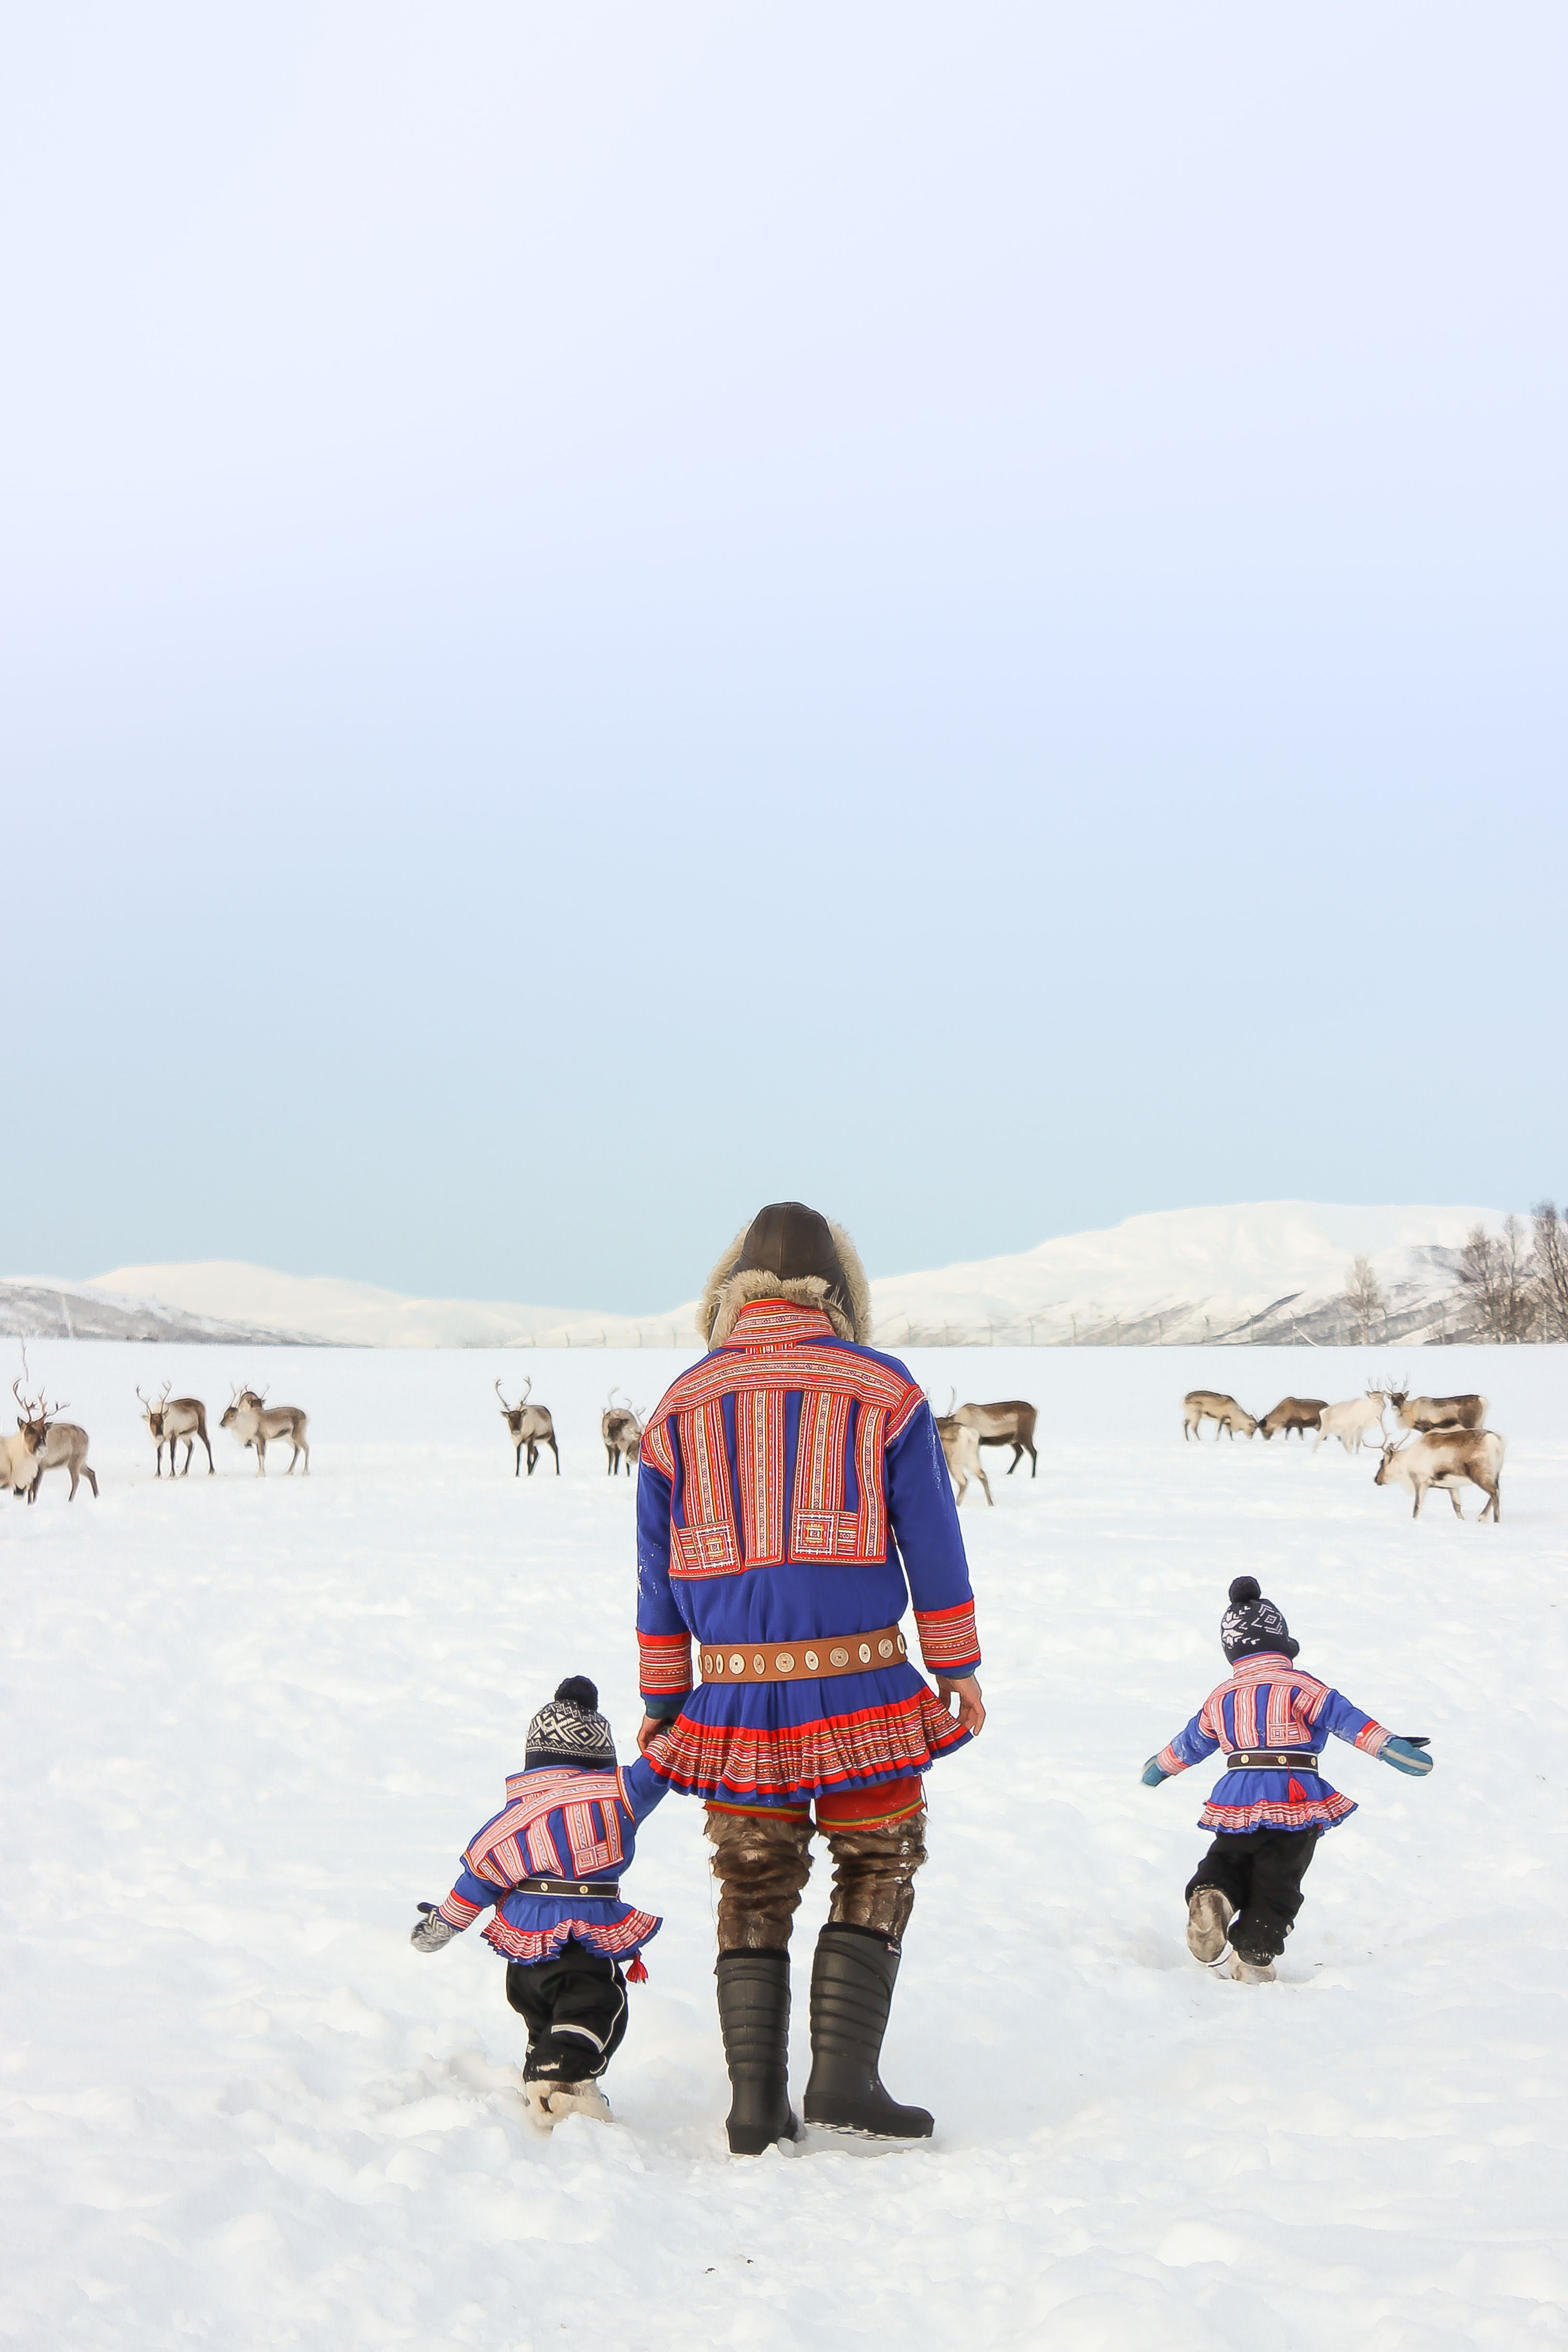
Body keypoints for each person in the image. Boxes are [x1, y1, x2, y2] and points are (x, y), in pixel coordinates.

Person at [633, 1201, 985, 2153]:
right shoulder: (885, 1389)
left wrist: (664, 1698)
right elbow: (933, 1539)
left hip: (732, 1691)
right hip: (862, 1681)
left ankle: (755, 2103)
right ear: (839, 1289)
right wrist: (957, 1664)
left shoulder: (677, 1403)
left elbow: (655, 1572)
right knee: (878, 1858)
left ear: (733, 1288)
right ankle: (843, 2078)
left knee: (751, 1879)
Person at [1142, 1576, 1434, 1982]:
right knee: (1279, 1872)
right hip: (1293, 1793)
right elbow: (1348, 1722)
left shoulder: (1221, 1696)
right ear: (1279, 1639)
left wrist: (1159, 1767)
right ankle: (1255, 1951)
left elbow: (1192, 1742)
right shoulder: (1302, 1685)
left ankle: (1213, 1893)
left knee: (1229, 1854)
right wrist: (1391, 1747)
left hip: (1236, 1794)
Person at [410, 1676, 669, 2125]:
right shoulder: (618, 1792)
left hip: (525, 1954)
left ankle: (545, 2084)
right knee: (597, 2006)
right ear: (599, 1757)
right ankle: (559, 2077)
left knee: (543, 2020)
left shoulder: (511, 1818)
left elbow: (477, 1880)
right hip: (580, 1942)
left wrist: (442, 1925)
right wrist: (672, 1723)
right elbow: (665, 1764)